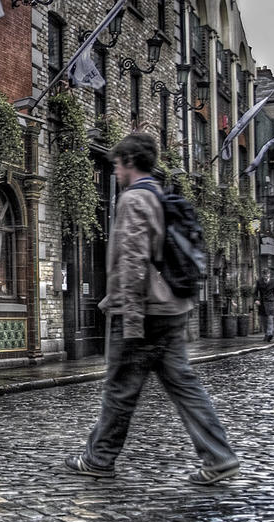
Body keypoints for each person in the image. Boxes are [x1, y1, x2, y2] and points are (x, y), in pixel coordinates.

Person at [64, 133, 239, 485]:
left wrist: (129, 321)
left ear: (129, 162)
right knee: (183, 385)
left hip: (144, 312)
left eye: (116, 164)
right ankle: (219, 457)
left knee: (119, 389)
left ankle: (99, 459)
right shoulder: (159, 195)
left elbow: (131, 262)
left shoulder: (135, 200)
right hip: (171, 309)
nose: (114, 171)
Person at [254, 269, 274, 342]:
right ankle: (267, 334)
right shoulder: (259, 281)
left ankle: (269, 333)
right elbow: (255, 292)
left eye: (267, 274)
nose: (266, 276)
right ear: (262, 275)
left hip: (271, 302)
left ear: (269, 274)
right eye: (264, 275)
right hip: (262, 303)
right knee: (263, 319)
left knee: (270, 318)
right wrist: (256, 300)